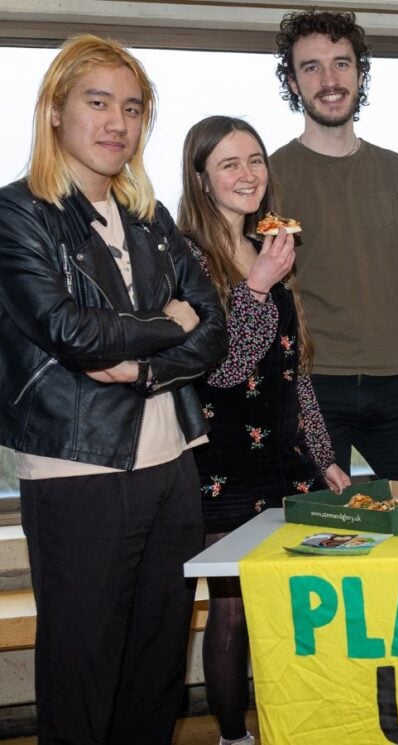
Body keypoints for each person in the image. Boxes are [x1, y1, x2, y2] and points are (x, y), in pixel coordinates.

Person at [0, 35, 227, 743]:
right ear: (55, 112)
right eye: (97, 103)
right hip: (80, 472)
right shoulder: (18, 214)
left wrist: (142, 364)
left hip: (173, 464)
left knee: (156, 665)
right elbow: (73, 332)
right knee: (84, 667)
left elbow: (212, 331)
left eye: (132, 109)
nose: (117, 123)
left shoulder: (152, 220)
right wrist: (166, 323)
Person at [177, 115, 351, 745]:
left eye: (255, 160)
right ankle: (234, 737)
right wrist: (254, 286)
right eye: (229, 164)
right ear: (201, 178)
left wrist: (323, 454)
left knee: (289, 601)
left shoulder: (269, 246)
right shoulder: (185, 257)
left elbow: (291, 366)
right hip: (221, 462)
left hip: (284, 459)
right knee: (232, 609)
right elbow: (220, 371)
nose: (248, 174)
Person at [270, 9, 398, 483]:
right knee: (317, 530)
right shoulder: (270, 177)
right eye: (311, 67)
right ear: (292, 82)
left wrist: (371, 340)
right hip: (310, 385)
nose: (329, 79)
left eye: (341, 63)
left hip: (391, 379)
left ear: (360, 72)